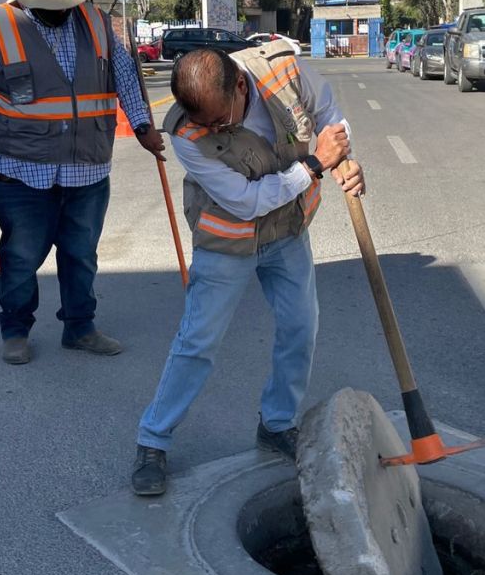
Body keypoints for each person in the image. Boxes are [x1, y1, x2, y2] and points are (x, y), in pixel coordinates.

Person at [132, 42, 365, 496]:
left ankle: (277, 424)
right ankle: (152, 441)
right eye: (206, 122)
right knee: (197, 342)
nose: (215, 129)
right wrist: (317, 163)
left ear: (240, 84)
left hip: (288, 233)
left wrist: (342, 151)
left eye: (221, 119)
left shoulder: (285, 72)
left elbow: (329, 115)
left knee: (301, 328)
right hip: (227, 245)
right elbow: (247, 202)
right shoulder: (185, 132)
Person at [0, 0, 165, 364]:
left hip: (87, 164)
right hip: (19, 166)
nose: (58, 12)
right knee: (21, 255)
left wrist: (143, 126)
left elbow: (124, 76)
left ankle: (80, 327)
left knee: (81, 252)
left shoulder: (95, 22)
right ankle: (16, 330)